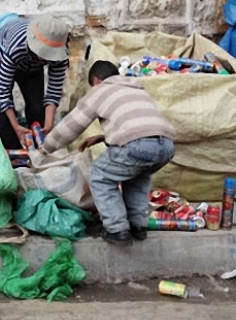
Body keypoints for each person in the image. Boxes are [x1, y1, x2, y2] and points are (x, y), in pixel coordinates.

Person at [40, 60, 176, 246]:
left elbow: (71, 126)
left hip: (138, 144)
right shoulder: (136, 89)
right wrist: (103, 137)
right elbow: (138, 124)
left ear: (96, 80)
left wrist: (45, 148)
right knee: (137, 176)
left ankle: (117, 229)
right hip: (166, 145)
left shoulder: (100, 90)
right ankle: (138, 225)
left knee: (99, 174)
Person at [0, 15, 69, 150]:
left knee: (37, 108)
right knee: (4, 112)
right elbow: (3, 91)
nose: (48, 57)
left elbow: (54, 89)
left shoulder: (61, 54)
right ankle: (13, 155)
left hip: (32, 67)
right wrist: (16, 126)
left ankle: (37, 149)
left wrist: (48, 124)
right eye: (45, 53)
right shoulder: (17, 46)